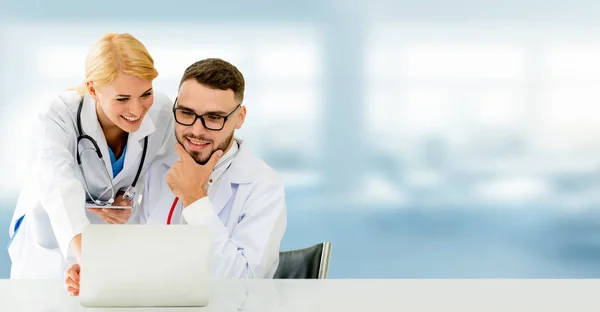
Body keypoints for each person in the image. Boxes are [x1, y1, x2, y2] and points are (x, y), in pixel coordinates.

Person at [65, 58, 287, 296]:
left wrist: (195, 200)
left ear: (240, 117)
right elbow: (139, 257)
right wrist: (99, 272)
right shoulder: (159, 170)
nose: (196, 130)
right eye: (186, 113)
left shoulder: (264, 186)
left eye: (214, 118)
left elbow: (245, 286)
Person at [8, 32, 175, 279]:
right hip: (51, 239)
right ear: (93, 90)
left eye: (145, 94)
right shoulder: (58, 115)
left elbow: (161, 174)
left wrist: (129, 197)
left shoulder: (162, 113)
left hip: (110, 238)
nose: (137, 109)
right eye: (122, 99)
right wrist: (87, 261)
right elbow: (58, 186)